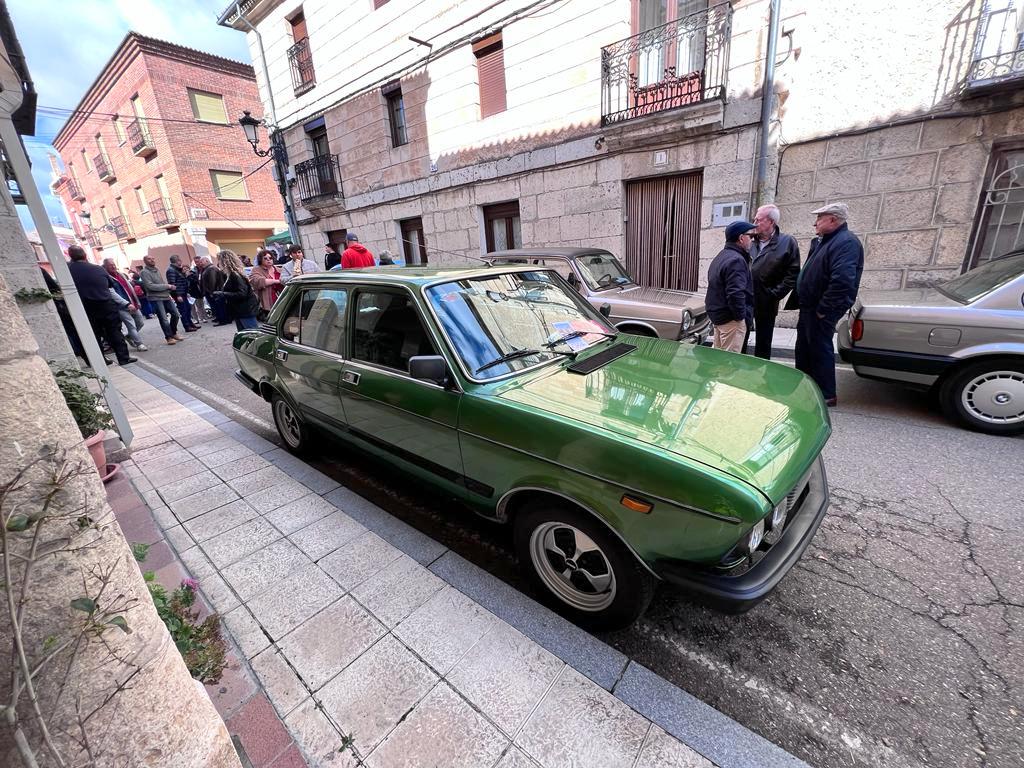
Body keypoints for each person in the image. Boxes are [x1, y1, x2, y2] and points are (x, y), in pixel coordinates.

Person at [788, 202, 864, 407]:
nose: (815, 223)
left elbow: (842, 281)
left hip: (820, 310)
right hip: (809, 307)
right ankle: (805, 387)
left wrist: (824, 309)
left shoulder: (846, 242)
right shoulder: (825, 241)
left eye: (819, 218)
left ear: (833, 220)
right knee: (804, 348)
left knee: (820, 349)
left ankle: (826, 393)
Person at [66, 246, 136, 366]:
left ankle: (99, 361)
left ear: (70, 256)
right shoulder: (98, 269)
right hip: (106, 304)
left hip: (85, 307)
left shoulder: (67, 271)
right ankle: (123, 358)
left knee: (93, 334)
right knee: (115, 331)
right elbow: (110, 284)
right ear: (85, 255)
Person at [749, 204, 800, 359]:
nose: (754, 221)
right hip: (745, 299)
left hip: (767, 301)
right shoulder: (749, 239)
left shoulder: (787, 242)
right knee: (740, 338)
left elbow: (793, 273)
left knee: (763, 343)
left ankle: (762, 377)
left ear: (771, 222)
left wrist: (774, 294)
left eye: (759, 219)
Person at [706, 221, 756, 353]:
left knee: (718, 360)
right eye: (750, 236)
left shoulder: (722, 256)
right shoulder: (736, 260)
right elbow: (735, 293)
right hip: (731, 320)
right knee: (729, 364)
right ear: (741, 238)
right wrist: (740, 317)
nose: (752, 240)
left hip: (720, 317)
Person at [103, 258, 148, 351]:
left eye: (114, 264)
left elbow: (129, 287)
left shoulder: (120, 274)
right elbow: (112, 294)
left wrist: (136, 301)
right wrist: (126, 304)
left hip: (132, 303)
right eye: (110, 265)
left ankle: (129, 336)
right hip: (121, 306)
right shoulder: (106, 277)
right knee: (131, 325)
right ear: (106, 266)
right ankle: (139, 344)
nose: (113, 266)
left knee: (140, 322)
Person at [140, 254, 184, 345]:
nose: (152, 260)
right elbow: (150, 286)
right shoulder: (144, 272)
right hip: (156, 298)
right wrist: (167, 286)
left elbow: (160, 283)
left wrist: (168, 290)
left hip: (166, 296)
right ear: (145, 261)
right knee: (163, 319)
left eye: (153, 258)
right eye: (149, 259)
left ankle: (173, 332)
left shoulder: (156, 269)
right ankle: (168, 337)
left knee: (176, 314)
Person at [214, 249, 261, 330]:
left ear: (225, 261)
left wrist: (223, 294)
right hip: (241, 310)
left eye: (219, 260)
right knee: (245, 334)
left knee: (251, 334)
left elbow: (242, 293)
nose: (218, 263)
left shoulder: (235, 275)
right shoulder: (232, 274)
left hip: (245, 310)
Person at [167, 254, 200, 332]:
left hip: (183, 293)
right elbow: (173, 283)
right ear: (177, 261)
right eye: (180, 260)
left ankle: (190, 324)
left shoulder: (177, 269)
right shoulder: (171, 270)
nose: (181, 261)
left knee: (188, 309)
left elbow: (182, 280)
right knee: (183, 310)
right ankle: (187, 326)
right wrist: (177, 295)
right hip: (179, 294)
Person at [249, 251, 283, 318]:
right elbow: (259, 281)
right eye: (265, 258)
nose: (268, 260)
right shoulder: (256, 270)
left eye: (270, 258)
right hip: (266, 302)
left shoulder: (279, 269)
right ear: (260, 259)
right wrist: (276, 281)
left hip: (280, 299)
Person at [198, 255, 230, 325]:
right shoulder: (207, 268)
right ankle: (219, 318)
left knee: (219, 306)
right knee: (215, 306)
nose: (200, 263)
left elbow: (213, 281)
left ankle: (223, 320)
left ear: (207, 260)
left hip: (215, 292)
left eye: (201, 262)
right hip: (212, 292)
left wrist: (211, 292)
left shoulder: (211, 268)